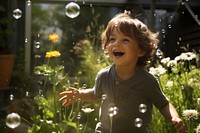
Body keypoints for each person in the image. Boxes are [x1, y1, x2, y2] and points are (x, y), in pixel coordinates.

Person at [59, 10, 186, 133]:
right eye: (112, 39)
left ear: (140, 51)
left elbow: (163, 104)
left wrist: (174, 118)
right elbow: (94, 94)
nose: (117, 44)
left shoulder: (147, 81)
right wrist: (80, 94)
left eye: (125, 40)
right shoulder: (103, 75)